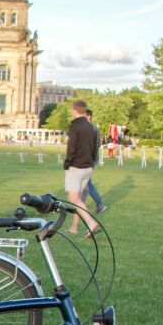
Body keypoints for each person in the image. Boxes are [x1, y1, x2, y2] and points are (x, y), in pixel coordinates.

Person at [64, 100, 99, 237]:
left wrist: (67, 164)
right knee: (79, 198)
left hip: (76, 166)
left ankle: (90, 222)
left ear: (74, 110)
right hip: (88, 166)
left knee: (73, 198)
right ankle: (74, 227)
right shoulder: (92, 127)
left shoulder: (74, 126)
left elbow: (71, 148)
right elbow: (95, 148)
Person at [83, 108, 107, 214]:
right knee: (84, 183)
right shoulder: (94, 128)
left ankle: (100, 204)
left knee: (86, 183)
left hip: (86, 159)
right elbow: (98, 145)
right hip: (89, 159)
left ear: (88, 116)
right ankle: (81, 206)